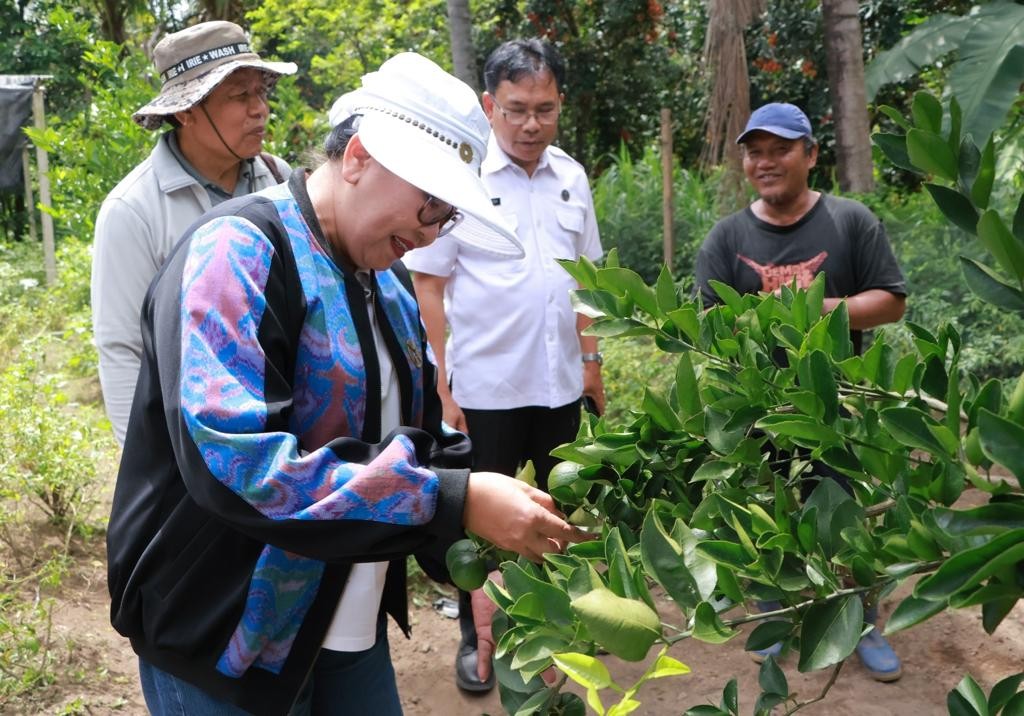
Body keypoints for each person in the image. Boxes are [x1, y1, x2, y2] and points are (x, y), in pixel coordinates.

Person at [106, 52, 590, 716]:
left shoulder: (387, 282)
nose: (429, 234)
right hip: (224, 637)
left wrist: (474, 555)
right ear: (359, 158)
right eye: (428, 206)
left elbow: (424, 436)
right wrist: (453, 502)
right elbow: (238, 465)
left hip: (342, 624)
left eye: (446, 218)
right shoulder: (237, 252)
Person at [402, 38, 604, 694]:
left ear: (560, 105)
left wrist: (592, 362)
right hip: (484, 390)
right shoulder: (461, 182)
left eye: (545, 110)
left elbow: (587, 282)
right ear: (490, 106)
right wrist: (440, 385)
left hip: (559, 384)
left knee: (559, 507)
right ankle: (476, 634)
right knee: (481, 521)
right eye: (516, 109)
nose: (530, 125)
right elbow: (429, 286)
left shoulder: (571, 177)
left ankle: (556, 630)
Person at [695, 102, 907, 682]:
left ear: (810, 155)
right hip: (755, 408)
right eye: (755, 152)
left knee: (848, 519)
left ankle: (862, 622)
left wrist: (810, 307)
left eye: (780, 149)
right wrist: (753, 324)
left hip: (837, 406)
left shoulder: (850, 222)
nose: (765, 162)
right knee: (766, 513)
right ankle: (775, 616)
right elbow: (707, 322)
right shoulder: (727, 236)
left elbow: (890, 300)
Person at [92, 20, 296, 446]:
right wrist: (144, 458)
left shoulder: (279, 181)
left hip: (285, 428)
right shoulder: (134, 210)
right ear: (186, 111)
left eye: (261, 92)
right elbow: (122, 348)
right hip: (190, 443)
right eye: (239, 95)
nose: (260, 109)